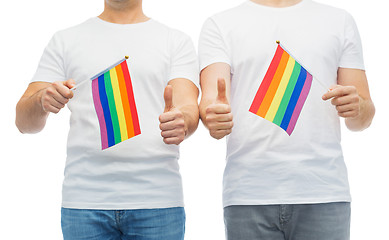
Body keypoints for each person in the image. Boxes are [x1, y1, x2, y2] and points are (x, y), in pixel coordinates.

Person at [15, 0, 199, 239]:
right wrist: (42, 101)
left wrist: (181, 121)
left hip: (157, 199)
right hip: (84, 203)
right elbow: (23, 122)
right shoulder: (65, 40)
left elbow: (188, 107)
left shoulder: (175, 41)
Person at [198, 0, 375, 239]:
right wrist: (214, 117)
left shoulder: (339, 20)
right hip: (248, 194)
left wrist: (357, 108)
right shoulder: (219, 24)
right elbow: (211, 101)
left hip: (324, 193)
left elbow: (362, 118)